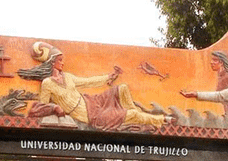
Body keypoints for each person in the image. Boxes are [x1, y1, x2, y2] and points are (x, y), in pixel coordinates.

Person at [20, 43, 168, 131]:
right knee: (132, 115)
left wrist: (108, 77)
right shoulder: (48, 83)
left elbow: (88, 82)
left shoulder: (68, 77)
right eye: (60, 60)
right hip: (91, 116)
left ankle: (138, 117)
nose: (63, 63)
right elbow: (40, 106)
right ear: (52, 62)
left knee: (122, 88)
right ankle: (161, 120)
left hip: (92, 101)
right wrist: (54, 108)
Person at [180, 51, 228, 117]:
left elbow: (220, 96)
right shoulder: (220, 76)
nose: (211, 62)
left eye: (215, 60)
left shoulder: (226, 77)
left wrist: (196, 94)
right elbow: (219, 96)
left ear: (221, 62)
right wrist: (196, 94)